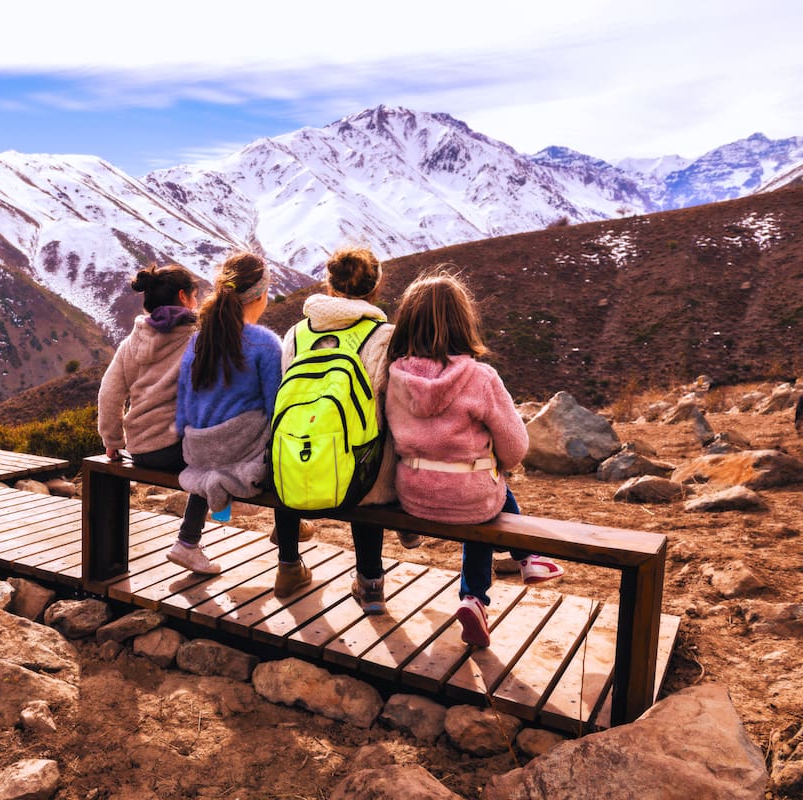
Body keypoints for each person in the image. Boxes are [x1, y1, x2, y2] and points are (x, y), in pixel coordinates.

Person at [384, 267, 564, 647]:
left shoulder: (393, 376)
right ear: (462, 322)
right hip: (469, 497)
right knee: (484, 491)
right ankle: (479, 594)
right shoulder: (481, 377)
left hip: (413, 493)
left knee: (479, 491)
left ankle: (517, 567)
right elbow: (515, 450)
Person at [272, 248, 400, 608]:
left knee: (289, 450)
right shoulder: (384, 335)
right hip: (365, 472)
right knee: (370, 452)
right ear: (375, 288)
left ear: (330, 284)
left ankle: (287, 565)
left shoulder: (297, 333)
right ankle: (370, 581)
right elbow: (392, 401)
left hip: (300, 459)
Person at [172, 252, 283, 575]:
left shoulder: (198, 340)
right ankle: (288, 531)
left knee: (216, 465)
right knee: (279, 434)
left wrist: (188, 437)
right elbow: (275, 406)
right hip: (237, 448)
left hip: (198, 445)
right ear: (260, 296)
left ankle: (187, 541)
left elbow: (185, 400)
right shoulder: (265, 344)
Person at [97, 263, 198, 470]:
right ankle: (215, 505)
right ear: (183, 296)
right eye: (194, 296)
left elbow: (109, 394)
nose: (196, 303)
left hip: (139, 449)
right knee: (221, 461)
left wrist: (113, 443)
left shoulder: (129, 344)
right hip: (176, 449)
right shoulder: (195, 341)